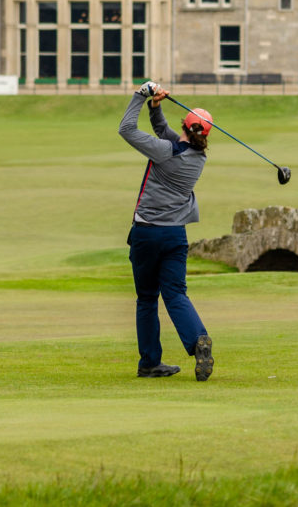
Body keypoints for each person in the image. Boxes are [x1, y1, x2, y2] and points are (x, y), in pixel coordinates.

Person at [118, 81, 214, 381]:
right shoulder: (197, 157)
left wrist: (140, 95)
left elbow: (126, 129)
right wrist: (156, 108)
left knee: (147, 298)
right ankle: (198, 338)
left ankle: (149, 362)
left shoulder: (164, 152)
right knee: (175, 293)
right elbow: (168, 135)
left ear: (185, 125)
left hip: (147, 234)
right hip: (176, 236)